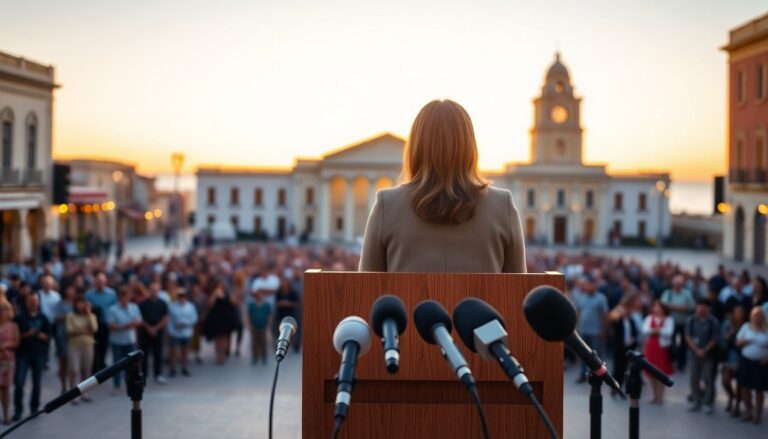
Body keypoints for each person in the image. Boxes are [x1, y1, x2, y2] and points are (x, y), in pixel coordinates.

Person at [359, 99, 526, 273]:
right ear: (469, 146)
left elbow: (366, 284)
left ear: (416, 146)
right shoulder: (502, 206)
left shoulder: (387, 204)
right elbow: (519, 286)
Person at [13, 294, 51, 421]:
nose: (33, 303)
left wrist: (39, 335)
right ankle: (18, 410)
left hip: (38, 354)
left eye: (35, 300)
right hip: (22, 354)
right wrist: (27, 334)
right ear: (26, 302)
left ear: (38, 302)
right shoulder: (19, 318)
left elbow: (48, 336)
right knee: (19, 382)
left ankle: (34, 408)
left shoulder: (43, 318)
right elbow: (15, 336)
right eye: (31, 300)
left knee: (37, 382)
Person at [684, 299, 719, 414]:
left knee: (708, 379)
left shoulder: (713, 322)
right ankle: (696, 400)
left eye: (703, 307)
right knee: (694, 378)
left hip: (708, 355)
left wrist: (704, 350)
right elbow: (688, 336)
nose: (700, 309)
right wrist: (696, 349)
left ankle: (707, 402)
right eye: (698, 307)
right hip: (694, 354)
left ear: (708, 308)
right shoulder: (691, 320)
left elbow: (714, 339)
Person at [735, 307, 768, 424]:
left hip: (761, 363)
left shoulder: (766, 329)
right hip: (747, 360)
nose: (757, 319)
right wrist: (747, 341)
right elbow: (737, 342)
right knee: (745, 387)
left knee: (759, 389)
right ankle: (748, 410)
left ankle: (758, 414)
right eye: (755, 316)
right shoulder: (746, 327)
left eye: (759, 316)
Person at [106, 287, 142, 394]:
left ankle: (129, 384)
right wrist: (123, 326)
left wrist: (133, 324)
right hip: (117, 341)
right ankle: (116, 385)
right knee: (117, 364)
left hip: (130, 340)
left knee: (131, 364)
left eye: (127, 297)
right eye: (123, 297)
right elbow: (110, 324)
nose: (125, 299)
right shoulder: (112, 309)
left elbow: (139, 321)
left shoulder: (133, 307)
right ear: (119, 297)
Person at [572, 279, 608, 383]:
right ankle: (583, 373)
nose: (589, 287)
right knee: (583, 354)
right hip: (583, 330)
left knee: (597, 355)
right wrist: (576, 327)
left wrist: (603, 330)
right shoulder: (582, 297)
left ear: (595, 286)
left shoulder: (601, 298)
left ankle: (600, 374)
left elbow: (604, 315)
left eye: (591, 285)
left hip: (596, 332)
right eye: (588, 285)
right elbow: (578, 312)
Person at [608, 292, 642, 393]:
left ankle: (621, 386)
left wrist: (633, 339)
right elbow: (612, 318)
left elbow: (635, 332)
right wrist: (619, 311)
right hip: (619, 347)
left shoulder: (631, 320)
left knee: (625, 368)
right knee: (617, 368)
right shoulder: (619, 320)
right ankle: (615, 387)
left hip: (629, 348)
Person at [641, 300, 674, 404]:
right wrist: (659, 330)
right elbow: (644, 330)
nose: (656, 309)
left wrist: (655, 330)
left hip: (662, 348)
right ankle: (654, 395)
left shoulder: (668, 319)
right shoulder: (649, 318)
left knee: (662, 371)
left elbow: (669, 332)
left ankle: (660, 396)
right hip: (651, 347)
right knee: (651, 372)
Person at [66, 296, 97, 404]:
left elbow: (94, 329)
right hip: (74, 346)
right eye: (78, 303)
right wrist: (84, 330)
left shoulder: (91, 315)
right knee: (74, 369)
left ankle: (84, 392)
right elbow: (70, 331)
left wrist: (88, 314)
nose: (80, 305)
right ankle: (73, 393)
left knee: (86, 370)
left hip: (87, 345)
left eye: (82, 303)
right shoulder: (70, 315)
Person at [660, 275, 695, 371]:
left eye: (679, 284)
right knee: (670, 343)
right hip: (671, 323)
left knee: (684, 344)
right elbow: (662, 306)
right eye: (676, 283)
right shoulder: (667, 293)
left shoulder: (687, 294)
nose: (677, 285)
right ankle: (670, 361)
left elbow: (691, 307)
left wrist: (672, 307)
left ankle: (681, 364)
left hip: (683, 323)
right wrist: (680, 307)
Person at [85, 273, 117, 372]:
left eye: (102, 282)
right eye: (98, 282)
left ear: (105, 282)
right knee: (94, 345)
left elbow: (115, 308)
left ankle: (102, 362)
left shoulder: (111, 293)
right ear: (95, 282)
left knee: (104, 344)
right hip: (94, 323)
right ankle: (94, 366)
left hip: (106, 324)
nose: (100, 284)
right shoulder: (89, 294)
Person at [138, 282, 169, 385]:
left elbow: (165, 317)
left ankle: (158, 374)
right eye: (152, 290)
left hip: (158, 333)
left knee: (158, 354)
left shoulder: (163, 303)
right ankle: (144, 376)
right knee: (144, 355)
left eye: (156, 291)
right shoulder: (143, 304)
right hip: (145, 333)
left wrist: (156, 328)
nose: (154, 293)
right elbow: (140, 318)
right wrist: (149, 328)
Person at [203, 282, 238, 365]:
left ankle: (223, 355)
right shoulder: (214, 295)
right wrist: (215, 295)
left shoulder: (227, 294)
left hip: (225, 319)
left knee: (224, 338)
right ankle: (218, 355)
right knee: (217, 338)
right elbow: (210, 304)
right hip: (216, 319)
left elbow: (234, 303)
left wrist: (231, 295)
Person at [721, 304, 746, 417]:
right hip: (729, 357)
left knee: (740, 384)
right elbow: (722, 340)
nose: (738, 315)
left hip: (742, 358)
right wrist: (730, 333)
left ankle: (737, 406)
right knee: (725, 381)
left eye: (740, 312)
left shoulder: (746, 326)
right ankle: (732, 396)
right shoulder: (728, 325)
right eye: (736, 312)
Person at [167, 290, 197, 377]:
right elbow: (169, 320)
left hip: (186, 332)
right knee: (173, 351)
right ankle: (172, 369)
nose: (181, 298)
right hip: (175, 332)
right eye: (180, 296)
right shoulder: (172, 306)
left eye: (183, 296)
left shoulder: (190, 306)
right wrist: (170, 330)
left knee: (185, 351)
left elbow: (194, 318)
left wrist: (185, 323)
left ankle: (184, 368)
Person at [53, 286, 75, 394]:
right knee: (64, 360)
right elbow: (56, 317)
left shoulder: (77, 302)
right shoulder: (60, 303)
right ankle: (64, 386)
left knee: (74, 363)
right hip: (62, 335)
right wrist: (68, 316)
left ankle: (73, 386)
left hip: (75, 336)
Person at [0, 301, 19, 424]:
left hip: (7, 359)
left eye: (5, 310)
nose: (2, 313)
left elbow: (16, 342)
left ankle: (6, 414)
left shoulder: (13, 326)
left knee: (5, 387)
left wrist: (6, 345)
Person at [37, 275, 60, 368]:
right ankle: (43, 359)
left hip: (52, 322)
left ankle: (48, 359)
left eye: (48, 283)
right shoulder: (38, 294)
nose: (46, 285)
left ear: (52, 284)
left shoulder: (56, 296)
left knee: (51, 341)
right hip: (41, 322)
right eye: (45, 283)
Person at [272, 277, 299, 346]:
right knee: (279, 331)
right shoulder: (279, 292)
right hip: (280, 315)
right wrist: (281, 303)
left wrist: (288, 303)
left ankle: (292, 345)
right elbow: (276, 303)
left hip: (290, 315)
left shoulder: (292, 292)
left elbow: (296, 303)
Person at [247, 290, 271, 365]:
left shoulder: (266, 305)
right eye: (258, 295)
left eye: (261, 295)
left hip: (263, 326)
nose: (259, 296)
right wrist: (249, 324)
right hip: (254, 326)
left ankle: (264, 357)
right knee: (254, 342)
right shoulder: (252, 305)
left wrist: (268, 325)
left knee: (263, 342)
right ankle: (255, 357)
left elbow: (269, 315)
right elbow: (248, 315)